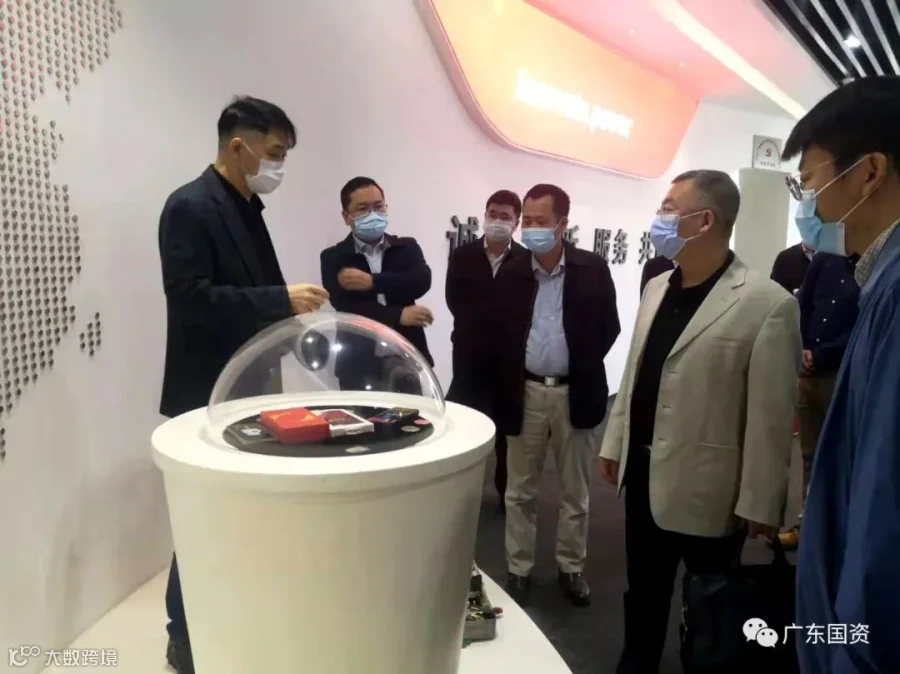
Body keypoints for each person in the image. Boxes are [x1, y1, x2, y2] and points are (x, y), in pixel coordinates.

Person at [599, 170, 801, 674]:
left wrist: (761, 503)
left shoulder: (767, 303)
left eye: (669, 209)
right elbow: (636, 372)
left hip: (711, 490)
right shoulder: (657, 286)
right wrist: (614, 442)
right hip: (643, 477)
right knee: (643, 594)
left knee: (712, 606)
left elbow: (771, 418)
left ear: (705, 220)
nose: (659, 219)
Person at [158, 96, 328, 673]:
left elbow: (257, 293)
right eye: (275, 153)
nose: (279, 166)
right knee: (203, 515)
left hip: (252, 387)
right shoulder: (189, 206)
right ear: (239, 145)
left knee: (245, 512)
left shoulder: (249, 208)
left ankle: (237, 615)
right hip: (207, 391)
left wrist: (292, 320)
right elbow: (190, 299)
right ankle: (183, 634)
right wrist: (280, 299)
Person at [789, 76, 900, 674]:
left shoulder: (896, 296)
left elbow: (884, 514)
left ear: (869, 172)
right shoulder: (879, 281)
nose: (808, 204)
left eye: (809, 181)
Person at [494, 184, 620, 607]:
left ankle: (571, 566)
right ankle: (519, 568)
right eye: (527, 221)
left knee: (575, 491)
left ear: (563, 224)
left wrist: (579, 362)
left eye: (541, 221)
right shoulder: (512, 271)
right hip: (525, 392)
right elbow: (501, 332)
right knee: (519, 491)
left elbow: (609, 327)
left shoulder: (591, 268)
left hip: (575, 392)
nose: (531, 228)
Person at [445, 190, 528, 514]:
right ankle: (461, 496)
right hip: (469, 356)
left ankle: (506, 495)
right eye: (493, 213)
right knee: (466, 427)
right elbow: (454, 301)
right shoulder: (462, 255)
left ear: (516, 223)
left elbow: (526, 308)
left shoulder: (525, 260)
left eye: (505, 216)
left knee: (508, 433)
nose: (497, 221)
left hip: (510, 360)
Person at [777, 251, 859, 550]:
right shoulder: (825, 260)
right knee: (810, 454)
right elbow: (802, 306)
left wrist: (823, 355)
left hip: (843, 373)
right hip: (809, 373)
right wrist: (802, 348)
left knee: (844, 454)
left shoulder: (873, 265)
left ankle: (841, 533)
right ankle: (808, 525)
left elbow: (862, 324)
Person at [320, 177, 434, 391]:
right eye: (363, 208)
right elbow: (347, 306)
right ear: (346, 217)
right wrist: (398, 315)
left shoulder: (406, 247)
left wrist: (373, 282)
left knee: (410, 412)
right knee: (359, 413)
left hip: (407, 356)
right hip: (357, 362)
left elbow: (420, 281)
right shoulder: (333, 257)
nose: (373, 214)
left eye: (378, 206)